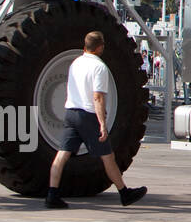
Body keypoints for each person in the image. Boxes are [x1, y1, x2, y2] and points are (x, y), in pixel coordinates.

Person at [45, 31, 147, 209]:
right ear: (100, 47)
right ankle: (124, 193)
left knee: (62, 154)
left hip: (70, 112)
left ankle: (52, 193)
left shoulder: (76, 63)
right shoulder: (99, 67)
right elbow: (98, 97)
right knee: (108, 157)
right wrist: (102, 124)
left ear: (85, 46)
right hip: (88, 115)